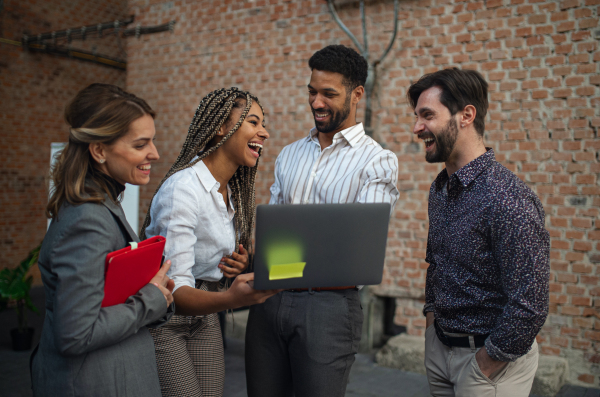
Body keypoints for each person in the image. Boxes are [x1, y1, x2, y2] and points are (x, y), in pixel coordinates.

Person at [245, 45, 400, 397]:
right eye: (312, 92)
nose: (316, 102)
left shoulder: (377, 162)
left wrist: (296, 248)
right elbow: (273, 235)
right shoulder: (289, 154)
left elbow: (360, 251)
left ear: (357, 94)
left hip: (328, 308)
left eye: (328, 94)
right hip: (270, 298)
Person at [408, 68, 550, 396]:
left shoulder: (507, 197)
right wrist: (432, 329)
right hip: (441, 349)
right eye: (416, 117)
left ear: (466, 115)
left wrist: (486, 364)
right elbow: (438, 265)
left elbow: (530, 303)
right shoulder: (440, 188)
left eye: (427, 115)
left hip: (489, 365)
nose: (416, 128)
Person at [31, 83, 175, 397]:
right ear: (99, 151)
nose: (155, 153)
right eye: (141, 144)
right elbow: (75, 334)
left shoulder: (102, 204)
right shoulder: (88, 219)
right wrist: (151, 299)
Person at [140, 87, 280, 397]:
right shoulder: (184, 190)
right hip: (167, 320)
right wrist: (234, 299)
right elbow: (175, 292)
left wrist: (238, 264)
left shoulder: (229, 191)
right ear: (220, 127)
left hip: (205, 315)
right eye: (253, 122)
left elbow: (209, 256)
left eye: (263, 124)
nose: (264, 133)